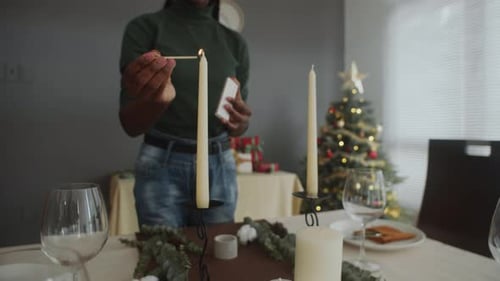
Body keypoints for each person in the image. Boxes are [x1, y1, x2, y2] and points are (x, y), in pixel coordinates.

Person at [118, 0, 252, 228]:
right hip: (161, 165)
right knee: (163, 256)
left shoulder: (234, 42)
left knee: (216, 256)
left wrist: (240, 124)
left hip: (219, 163)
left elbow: (237, 118)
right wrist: (157, 101)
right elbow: (130, 124)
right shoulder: (145, 29)